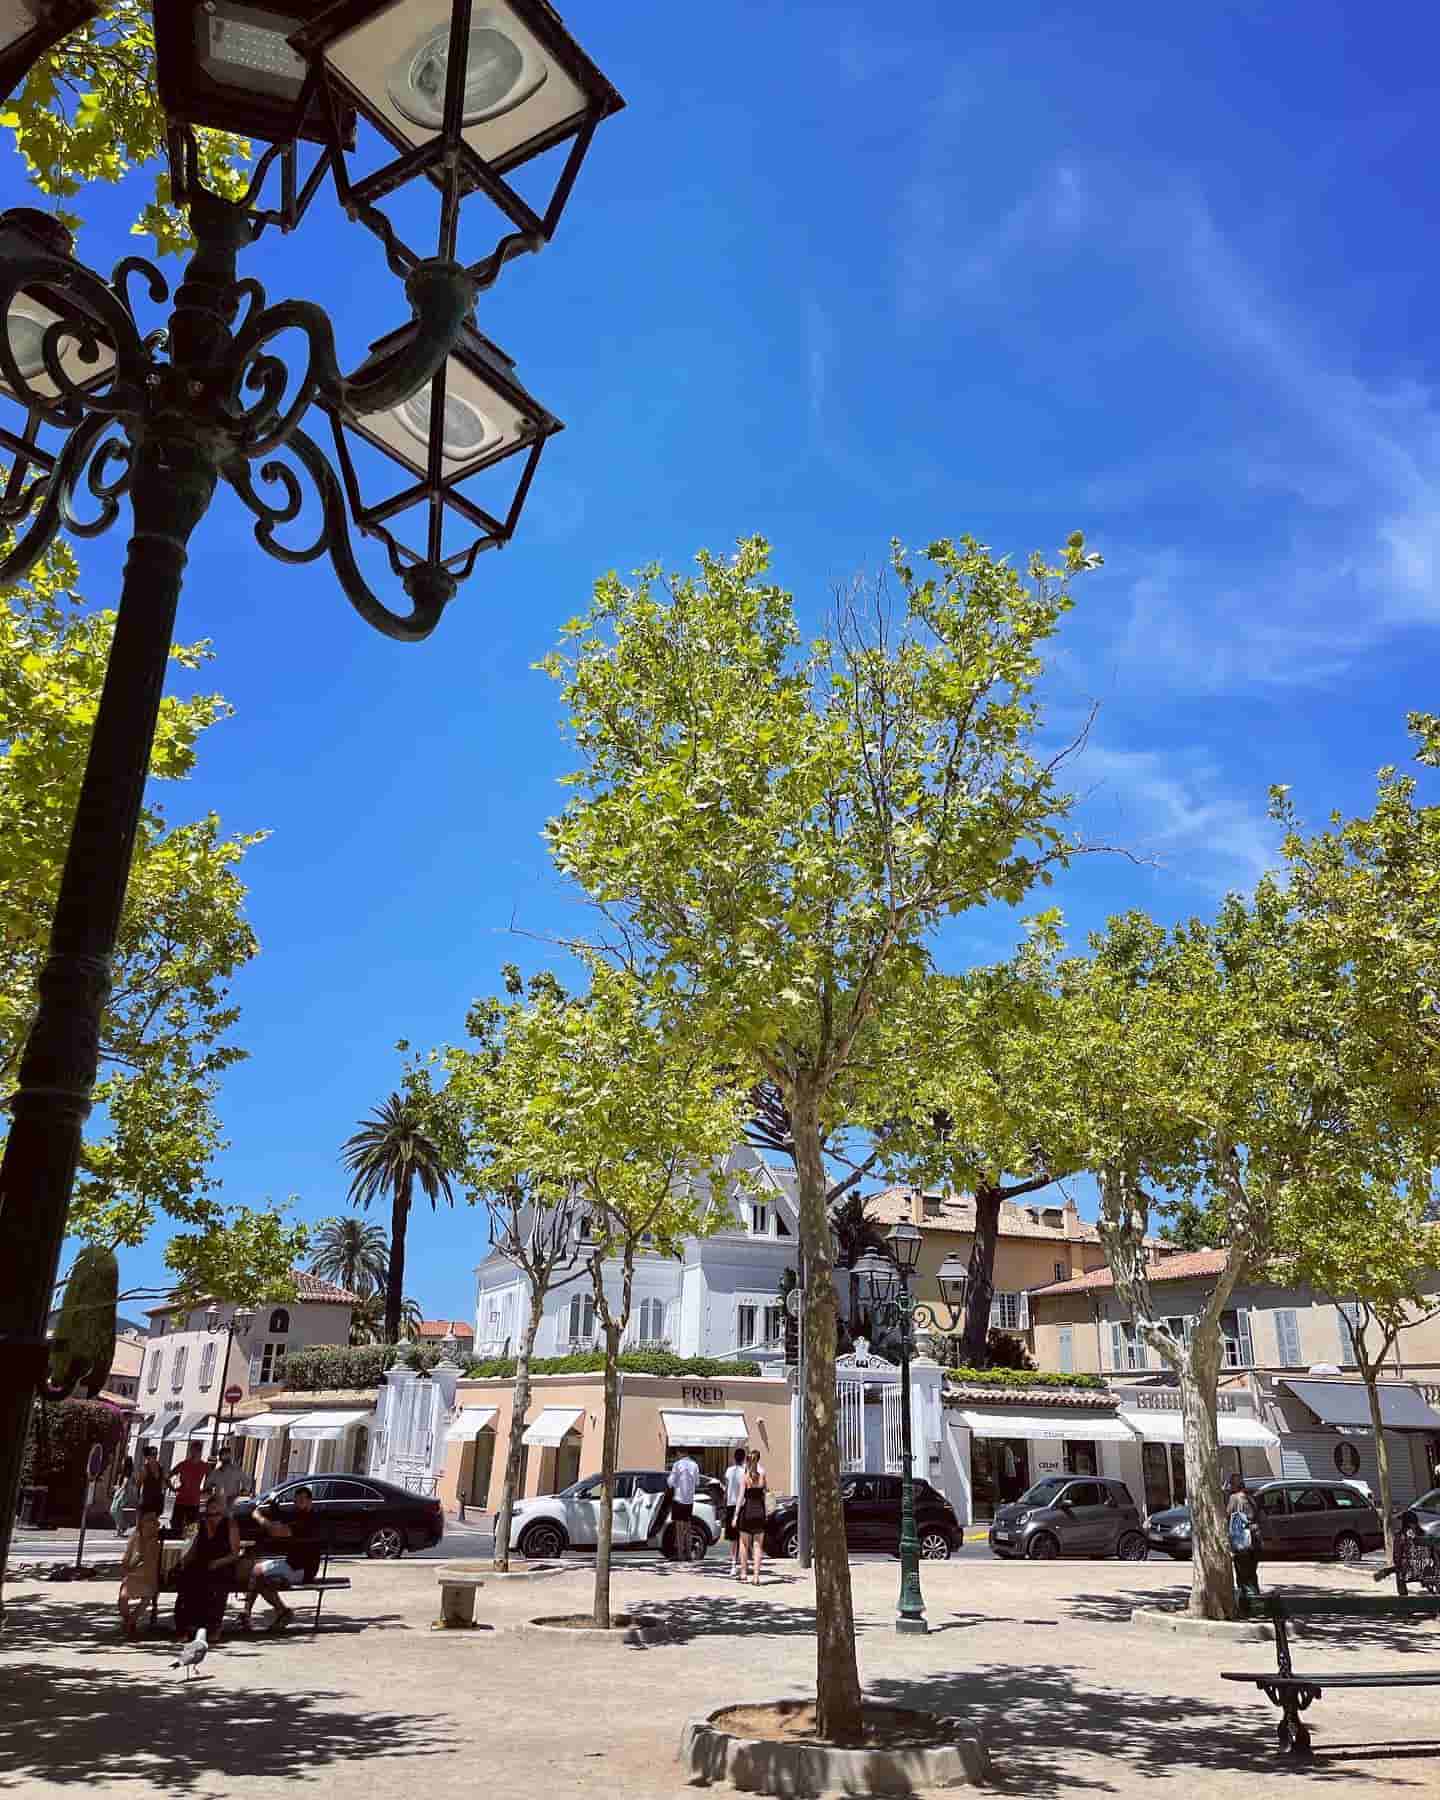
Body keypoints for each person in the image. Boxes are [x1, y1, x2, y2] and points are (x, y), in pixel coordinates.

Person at [241, 1485, 323, 1632]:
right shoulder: (301, 1515)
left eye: (302, 1500)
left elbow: (276, 1531)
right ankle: (246, 1614)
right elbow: (282, 1517)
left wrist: (257, 1516)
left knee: (258, 1573)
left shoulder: (309, 1520)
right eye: (296, 1500)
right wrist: (273, 1504)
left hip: (301, 1570)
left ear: (310, 1501)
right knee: (257, 1570)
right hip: (293, 1564)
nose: (298, 1503)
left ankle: (282, 1611)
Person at [174, 1497, 242, 1641]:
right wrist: (184, 1562)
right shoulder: (201, 1524)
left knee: (216, 1584)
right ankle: (186, 1627)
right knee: (187, 1581)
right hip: (202, 1563)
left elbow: (235, 1554)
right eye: (210, 1514)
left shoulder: (230, 1525)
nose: (213, 1518)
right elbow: (191, 1544)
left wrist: (217, 1563)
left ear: (222, 1512)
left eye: (216, 1514)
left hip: (223, 1563)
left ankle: (213, 1628)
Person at [117, 1506, 162, 1638]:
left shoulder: (156, 1540)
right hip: (133, 1573)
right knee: (123, 1598)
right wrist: (125, 1566)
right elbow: (127, 1554)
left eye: (154, 1520)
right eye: (149, 1520)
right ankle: (128, 1621)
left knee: (147, 1597)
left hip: (148, 1575)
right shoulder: (135, 1536)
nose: (154, 1523)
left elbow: (151, 1561)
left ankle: (131, 1622)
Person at [1227, 1473, 1261, 1610]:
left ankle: (1246, 1606)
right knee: (1252, 1574)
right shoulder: (1250, 1498)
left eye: (1230, 1484)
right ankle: (1257, 1602)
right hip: (1255, 1540)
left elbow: (1228, 1515)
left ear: (1234, 1485)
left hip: (1242, 1541)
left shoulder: (1234, 1498)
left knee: (1242, 1575)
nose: (1229, 1487)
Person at [737, 1448, 768, 1585]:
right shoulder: (763, 1474)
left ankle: (743, 1573)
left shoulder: (745, 1476)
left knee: (744, 1544)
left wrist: (735, 1515)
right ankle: (756, 1577)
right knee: (758, 1546)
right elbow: (765, 1494)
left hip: (747, 1512)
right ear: (758, 1459)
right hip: (760, 1512)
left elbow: (740, 1497)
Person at [667, 1450, 701, 1563]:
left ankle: (680, 1554)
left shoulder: (677, 1465)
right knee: (688, 1528)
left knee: (679, 1529)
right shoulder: (695, 1465)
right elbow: (697, 1482)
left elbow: (670, 1482)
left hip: (678, 1499)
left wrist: (674, 1482)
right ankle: (689, 1555)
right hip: (689, 1501)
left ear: (679, 1453)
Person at [169, 1442, 211, 1533]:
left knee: (191, 1529)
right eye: (192, 1451)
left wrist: (203, 1491)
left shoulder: (204, 1466)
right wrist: (172, 1488)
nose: (193, 1453)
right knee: (176, 1528)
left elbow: (211, 1482)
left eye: (195, 1451)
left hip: (193, 1501)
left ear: (199, 1452)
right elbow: (168, 1476)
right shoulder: (183, 1464)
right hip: (182, 1500)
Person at [724, 1447, 747, 1577]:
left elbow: (726, 1488)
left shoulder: (729, 1471)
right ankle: (744, 1563)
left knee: (733, 1538)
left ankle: (733, 1564)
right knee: (743, 1536)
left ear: (734, 1458)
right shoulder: (745, 1471)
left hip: (730, 1505)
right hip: (742, 1505)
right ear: (744, 1458)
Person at [111, 1455, 139, 1538]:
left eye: (123, 1461)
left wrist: (118, 1491)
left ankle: (122, 1527)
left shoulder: (129, 1474)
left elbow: (125, 1485)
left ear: (126, 1463)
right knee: (116, 1511)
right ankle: (120, 1529)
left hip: (122, 1495)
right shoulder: (124, 1473)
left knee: (115, 1510)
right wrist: (117, 1488)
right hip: (121, 1493)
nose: (122, 1463)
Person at [137, 1447, 165, 1519]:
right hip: (147, 1499)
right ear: (148, 1455)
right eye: (153, 1454)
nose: (154, 1456)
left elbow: (163, 1483)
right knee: (144, 1521)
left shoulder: (160, 1467)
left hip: (156, 1500)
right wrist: (138, 1498)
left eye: (156, 1454)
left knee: (152, 1522)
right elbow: (139, 1484)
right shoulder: (145, 1468)